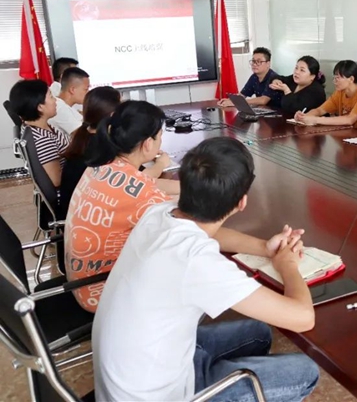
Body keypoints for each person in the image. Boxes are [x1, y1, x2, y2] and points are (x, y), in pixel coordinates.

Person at [93, 137, 319, 401]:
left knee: (259, 334)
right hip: (162, 395)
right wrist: (287, 264)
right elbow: (303, 318)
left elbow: (211, 234)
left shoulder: (159, 213)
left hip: (140, 371)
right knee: (306, 371)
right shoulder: (196, 262)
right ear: (242, 203)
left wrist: (266, 248)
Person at [65, 100, 179, 313]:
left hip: (81, 283)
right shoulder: (141, 192)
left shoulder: (101, 166)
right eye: (160, 137)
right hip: (106, 295)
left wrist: (187, 189)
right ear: (148, 144)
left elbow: (146, 184)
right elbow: (189, 227)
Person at [59, 86, 122, 217]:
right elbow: (135, 181)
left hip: (79, 209)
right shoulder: (102, 147)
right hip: (86, 215)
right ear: (112, 115)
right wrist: (160, 163)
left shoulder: (85, 137)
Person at [9, 79, 68, 187]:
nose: (55, 100)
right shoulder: (42, 139)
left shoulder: (37, 127)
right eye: (51, 96)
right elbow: (57, 180)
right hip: (73, 189)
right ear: (40, 107)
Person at [294, 60, 357, 129]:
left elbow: (349, 120)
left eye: (338, 78)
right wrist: (304, 116)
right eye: (334, 77)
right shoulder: (340, 92)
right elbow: (320, 110)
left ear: (351, 79)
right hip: (346, 134)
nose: (334, 81)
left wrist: (315, 120)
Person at [49, 67, 90, 138]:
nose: (88, 92)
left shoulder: (68, 106)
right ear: (72, 90)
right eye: (86, 89)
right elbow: (84, 135)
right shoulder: (59, 107)